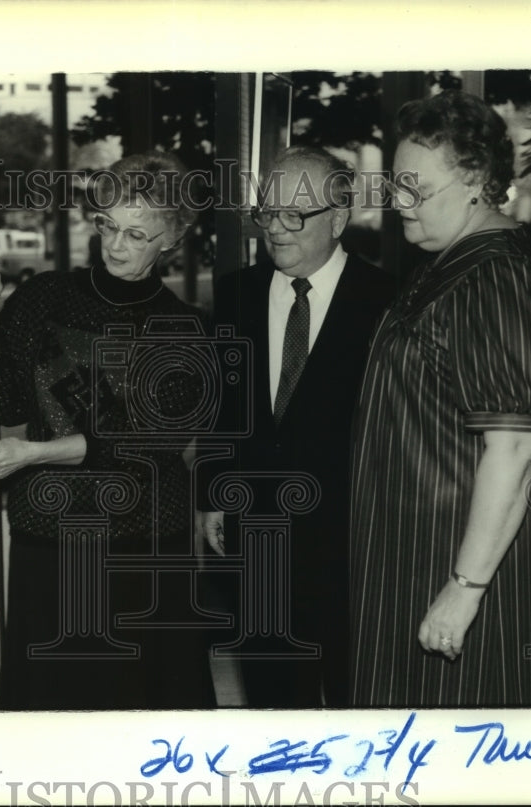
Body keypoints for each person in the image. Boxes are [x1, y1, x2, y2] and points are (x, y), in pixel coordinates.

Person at [0, 151, 217, 710]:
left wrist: (30, 455)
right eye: (108, 226)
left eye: (137, 234)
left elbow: (133, 443)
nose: (117, 245)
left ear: (170, 240)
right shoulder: (43, 297)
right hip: (49, 541)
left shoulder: (185, 330)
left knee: (142, 716)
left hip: (141, 548)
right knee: (51, 711)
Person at [349, 90, 531, 707]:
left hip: (459, 563)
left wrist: (465, 587)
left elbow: (515, 448)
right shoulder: (451, 262)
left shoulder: (497, 276)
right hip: (419, 552)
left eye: (415, 189)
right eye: (393, 186)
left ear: (476, 179)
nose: (399, 202)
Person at [196, 145, 395, 707]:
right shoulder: (235, 293)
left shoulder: (387, 302)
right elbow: (221, 405)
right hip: (257, 541)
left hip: (354, 542)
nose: (275, 229)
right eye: (266, 212)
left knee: (359, 702)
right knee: (273, 702)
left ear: (338, 218)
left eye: (293, 215)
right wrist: (213, 491)